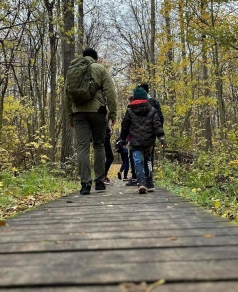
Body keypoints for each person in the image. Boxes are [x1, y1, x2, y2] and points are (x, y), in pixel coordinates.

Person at [65, 48, 117, 195]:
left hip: (78, 113)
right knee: (99, 145)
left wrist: (70, 116)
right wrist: (112, 113)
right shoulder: (100, 68)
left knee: (82, 147)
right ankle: (100, 182)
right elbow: (111, 92)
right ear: (95, 58)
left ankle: (85, 185)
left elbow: (67, 95)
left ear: (83, 57)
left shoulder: (73, 69)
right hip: (97, 112)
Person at [119, 86, 166, 194]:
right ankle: (149, 183)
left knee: (138, 162)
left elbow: (125, 127)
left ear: (135, 99)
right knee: (148, 161)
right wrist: (162, 139)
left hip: (136, 142)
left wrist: (122, 140)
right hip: (149, 143)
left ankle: (141, 183)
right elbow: (157, 126)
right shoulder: (153, 110)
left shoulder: (130, 111)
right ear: (145, 98)